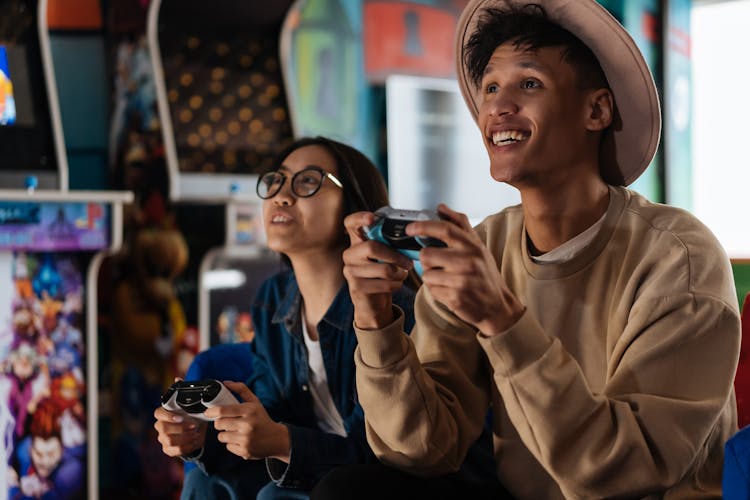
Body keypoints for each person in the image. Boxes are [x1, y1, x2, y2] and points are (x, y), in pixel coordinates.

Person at [314, 1, 741, 499]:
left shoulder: (677, 255)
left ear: (597, 110)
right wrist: (374, 320)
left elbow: (624, 473)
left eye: (529, 84)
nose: (497, 106)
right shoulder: (484, 247)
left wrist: (502, 319)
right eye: (490, 87)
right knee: (349, 490)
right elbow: (423, 450)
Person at [153, 136, 420, 499]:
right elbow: (273, 414)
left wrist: (282, 441)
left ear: (353, 205)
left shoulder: (391, 311)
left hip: (380, 481)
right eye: (276, 181)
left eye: (308, 181)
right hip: (308, 468)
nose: (281, 195)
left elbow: (386, 454)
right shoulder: (273, 299)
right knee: (205, 479)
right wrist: (203, 439)